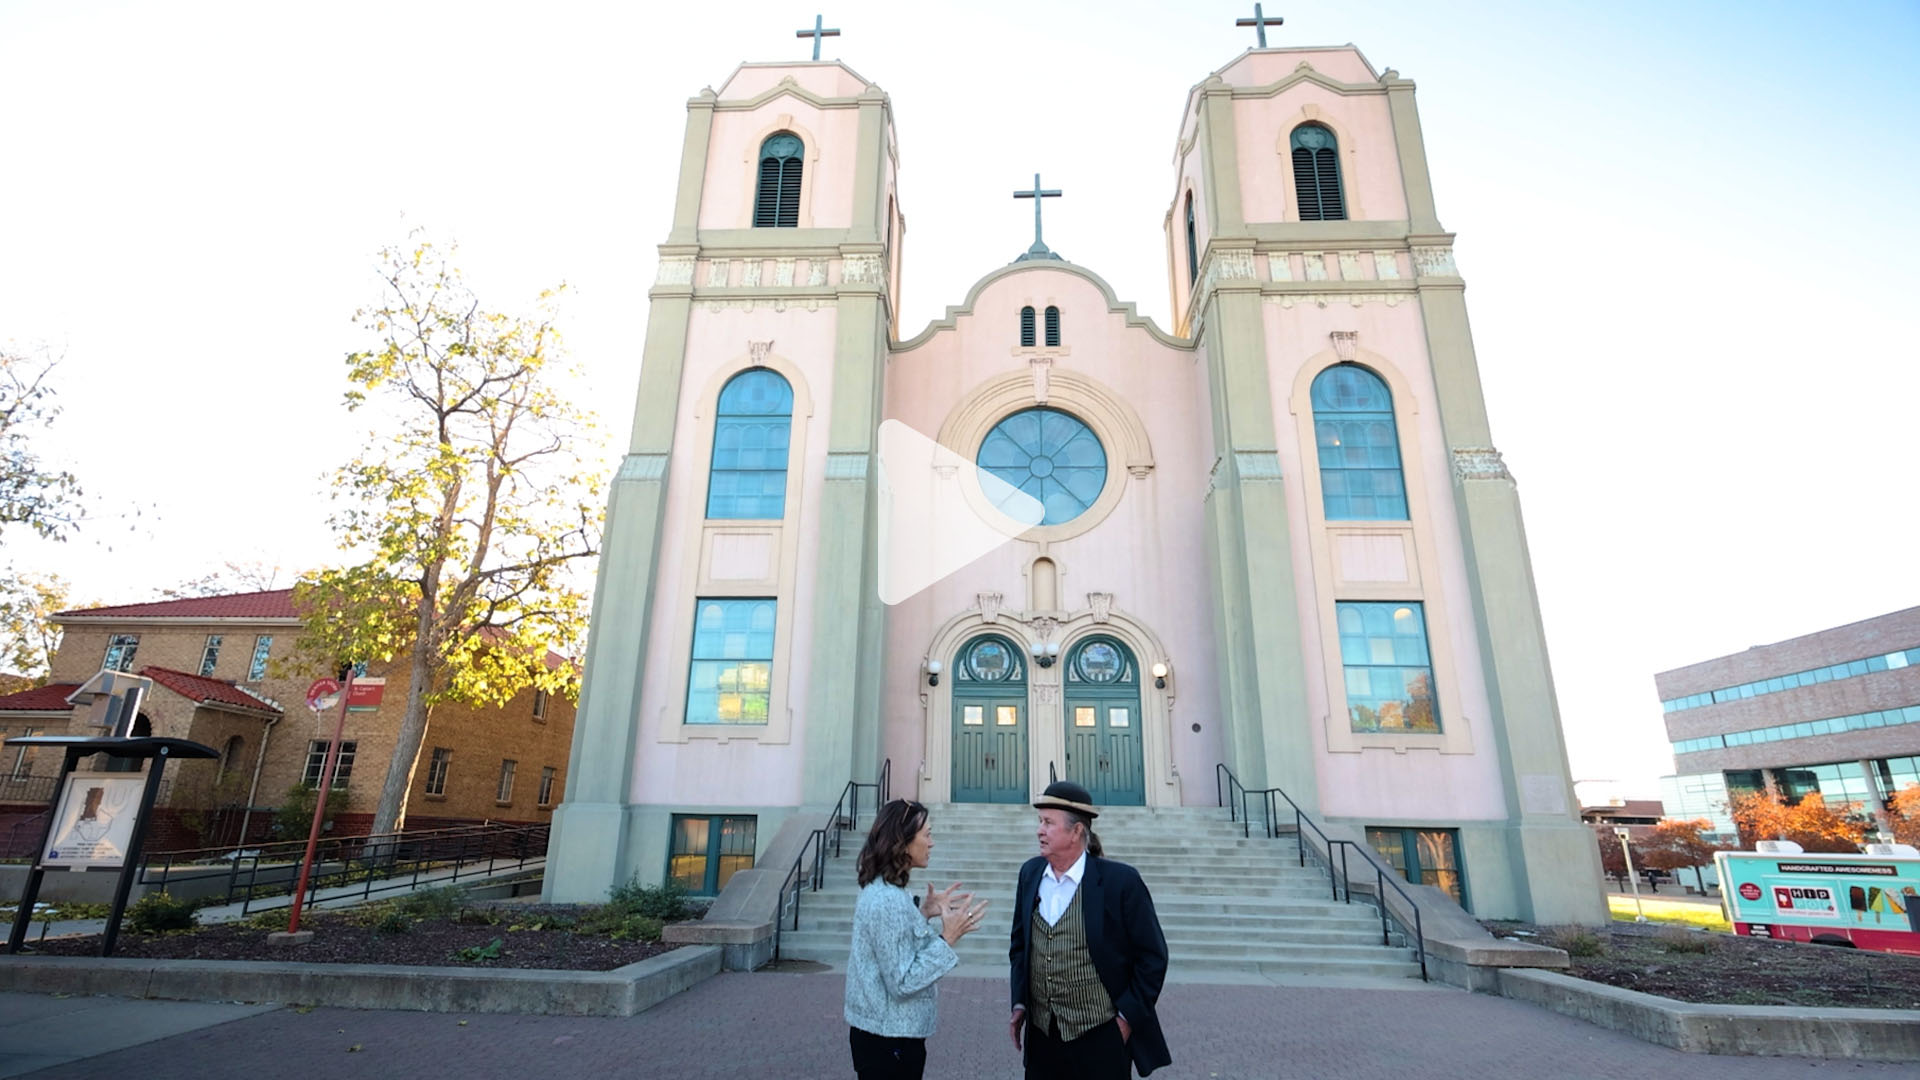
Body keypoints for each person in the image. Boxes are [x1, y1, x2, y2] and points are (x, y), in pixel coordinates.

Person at [1008, 781, 1170, 1079]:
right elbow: (1020, 946)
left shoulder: (1120, 882)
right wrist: (1020, 1001)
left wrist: (1125, 1020)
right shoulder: (1030, 874)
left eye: (1048, 823)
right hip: (1043, 1037)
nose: (1039, 830)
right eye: (1039, 822)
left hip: (1100, 1037)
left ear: (1077, 832)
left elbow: (1153, 957)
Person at [845, 798, 990, 1080]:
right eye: (927, 835)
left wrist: (922, 914)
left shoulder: (886, 892)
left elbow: (893, 949)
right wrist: (948, 938)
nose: (932, 843)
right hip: (888, 1040)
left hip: (887, 1035)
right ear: (903, 842)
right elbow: (902, 982)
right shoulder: (887, 900)